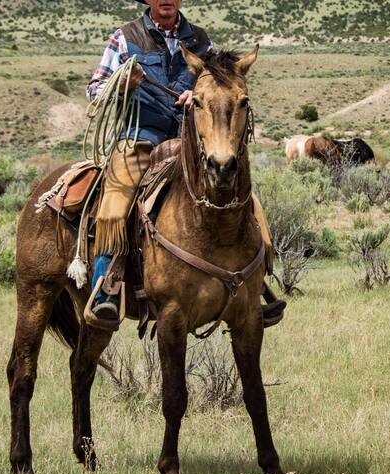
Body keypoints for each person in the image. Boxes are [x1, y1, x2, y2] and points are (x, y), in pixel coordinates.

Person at [85, 0, 281, 327]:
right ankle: (106, 288)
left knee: (241, 195)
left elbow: (221, 85)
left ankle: (255, 285)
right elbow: (94, 90)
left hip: (189, 141)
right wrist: (121, 84)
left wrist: (198, 94)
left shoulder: (201, 42)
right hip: (139, 137)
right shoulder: (125, 37)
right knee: (115, 202)